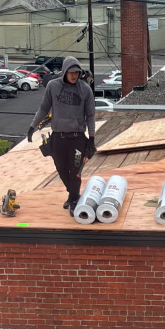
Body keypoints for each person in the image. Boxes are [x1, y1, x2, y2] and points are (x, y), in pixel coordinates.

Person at [27, 56, 96, 214]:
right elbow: (44, 108)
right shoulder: (53, 86)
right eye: (71, 72)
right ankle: (74, 195)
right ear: (65, 71)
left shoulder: (85, 89)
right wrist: (32, 127)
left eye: (77, 73)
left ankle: (73, 202)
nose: (74, 76)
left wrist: (91, 138)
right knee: (62, 170)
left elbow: (91, 115)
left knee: (76, 172)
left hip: (77, 138)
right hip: (58, 138)